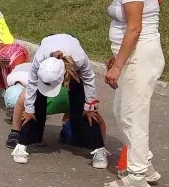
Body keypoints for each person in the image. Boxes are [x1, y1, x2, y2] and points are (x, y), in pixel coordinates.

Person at [104, 0, 165, 187]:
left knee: (133, 116)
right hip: (136, 54)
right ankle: (145, 164)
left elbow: (134, 28)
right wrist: (118, 57)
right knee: (124, 112)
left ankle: (137, 176)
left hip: (139, 55)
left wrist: (118, 65)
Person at [10, 33, 109, 169]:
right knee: (34, 107)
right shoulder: (40, 60)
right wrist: (29, 110)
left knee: (82, 107)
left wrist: (90, 107)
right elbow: (32, 84)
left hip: (72, 66)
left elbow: (89, 79)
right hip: (48, 53)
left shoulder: (78, 60)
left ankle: (99, 150)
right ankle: (22, 145)